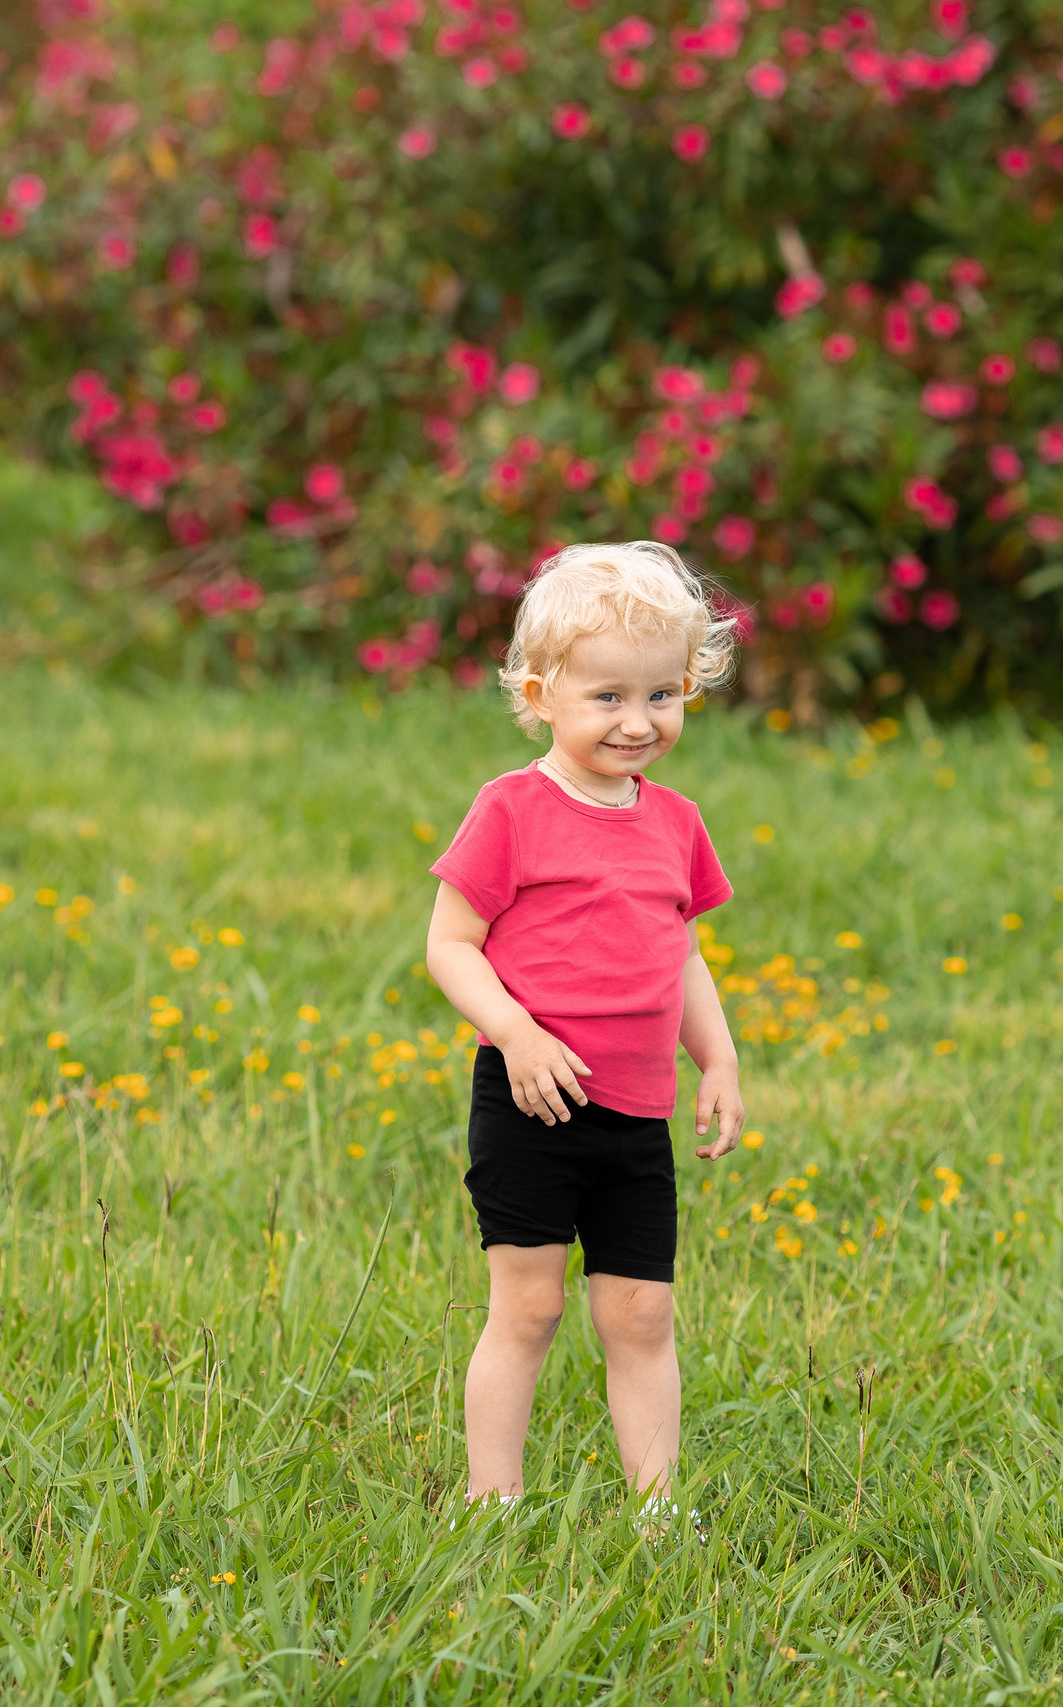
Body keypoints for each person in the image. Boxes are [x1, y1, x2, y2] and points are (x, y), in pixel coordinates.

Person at [423, 540, 746, 1525]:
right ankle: (493, 1500)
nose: (638, 722)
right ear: (539, 692)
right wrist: (515, 1036)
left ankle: (656, 1510)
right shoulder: (512, 811)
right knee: (527, 1309)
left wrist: (719, 1058)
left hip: (636, 1113)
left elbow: (676, 951)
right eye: (608, 698)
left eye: (661, 695)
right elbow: (450, 947)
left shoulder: (674, 823)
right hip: (533, 1102)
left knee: (641, 1314)